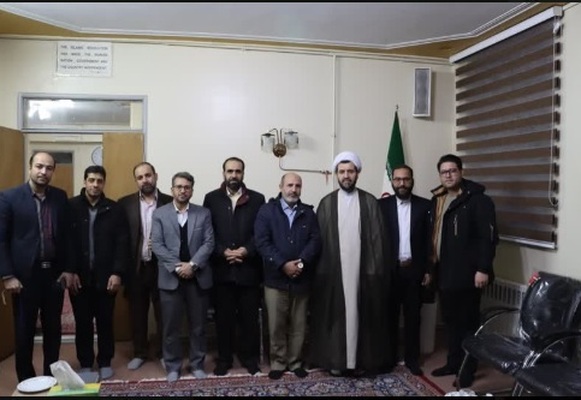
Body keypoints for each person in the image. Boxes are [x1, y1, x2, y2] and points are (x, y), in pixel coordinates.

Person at [309, 151, 395, 377]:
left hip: (363, 271)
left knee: (363, 314)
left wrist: (374, 271)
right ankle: (337, 360)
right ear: (336, 174)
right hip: (334, 271)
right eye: (342, 171)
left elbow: (378, 241)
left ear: (357, 173)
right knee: (336, 316)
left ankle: (361, 361)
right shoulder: (327, 203)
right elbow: (319, 241)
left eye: (350, 171)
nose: (346, 175)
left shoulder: (369, 202)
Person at [0, 151, 75, 382]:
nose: (44, 172)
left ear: (53, 171)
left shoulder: (60, 197)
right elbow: (1, 239)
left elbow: (67, 236)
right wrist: (7, 275)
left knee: (53, 331)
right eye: (39, 166)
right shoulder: (9, 197)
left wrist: (68, 268)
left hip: (53, 275)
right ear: (30, 167)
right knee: (25, 331)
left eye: (49, 168)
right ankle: (26, 379)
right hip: (24, 277)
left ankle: (51, 376)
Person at [429, 154, 498, 388]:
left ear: (461, 171)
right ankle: (453, 363)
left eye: (452, 170)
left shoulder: (479, 201)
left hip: (469, 275)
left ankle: (467, 370)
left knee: (468, 324)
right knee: (451, 323)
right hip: (445, 273)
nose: (448, 175)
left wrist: (483, 268)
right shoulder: (439, 199)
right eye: (444, 172)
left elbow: (487, 238)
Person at [254, 173, 321, 380]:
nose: (293, 189)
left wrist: (300, 263)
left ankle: (295, 362)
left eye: (297, 186)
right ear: (280, 186)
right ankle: (278, 362)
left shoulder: (308, 212)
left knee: (299, 325)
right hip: (275, 279)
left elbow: (315, 241)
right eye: (290, 185)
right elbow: (262, 242)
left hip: (301, 278)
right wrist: (283, 264)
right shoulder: (267, 211)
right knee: (276, 325)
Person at [202, 157, 265, 376]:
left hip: (249, 270)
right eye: (230, 171)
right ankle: (225, 359)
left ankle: (250, 359)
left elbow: (261, 233)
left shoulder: (257, 199)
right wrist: (223, 251)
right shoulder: (211, 198)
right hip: (222, 270)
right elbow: (208, 231)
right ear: (223, 173)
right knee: (223, 320)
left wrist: (246, 250)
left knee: (249, 320)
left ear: (243, 174)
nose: (234, 175)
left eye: (238, 171)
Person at [151, 171, 214, 382]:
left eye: (187, 187)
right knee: (171, 327)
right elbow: (157, 245)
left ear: (192, 191)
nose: (182, 190)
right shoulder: (160, 214)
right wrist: (178, 267)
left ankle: (197, 364)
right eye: (179, 187)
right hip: (171, 279)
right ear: (172, 190)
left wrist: (192, 265)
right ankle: (173, 367)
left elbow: (209, 243)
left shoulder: (203, 213)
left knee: (198, 326)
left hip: (198, 278)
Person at [68, 165, 129, 381]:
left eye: (99, 181)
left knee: (105, 322)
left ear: (104, 183)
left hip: (106, 277)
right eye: (91, 180)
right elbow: (66, 243)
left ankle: (104, 361)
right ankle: (85, 362)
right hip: (79, 278)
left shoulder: (115, 209)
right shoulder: (71, 206)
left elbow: (122, 243)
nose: (95, 184)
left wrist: (117, 273)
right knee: (83, 323)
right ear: (85, 181)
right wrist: (70, 271)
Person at [378, 164, 432, 376]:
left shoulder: (425, 206)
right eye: (398, 179)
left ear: (412, 180)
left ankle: (412, 359)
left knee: (413, 318)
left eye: (406, 179)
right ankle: (389, 358)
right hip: (390, 271)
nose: (402, 183)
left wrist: (428, 269)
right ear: (392, 181)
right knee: (389, 317)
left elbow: (430, 241)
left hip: (414, 271)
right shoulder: (381, 206)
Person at [118, 162, 173, 371]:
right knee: (137, 314)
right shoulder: (125, 204)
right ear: (136, 181)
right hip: (136, 268)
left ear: (155, 176)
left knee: (164, 314)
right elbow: (121, 239)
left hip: (163, 268)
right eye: (140, 177)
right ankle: (140, 352)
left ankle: (164, 353)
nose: (145, 180)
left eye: (148, 175)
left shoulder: (170, 202)